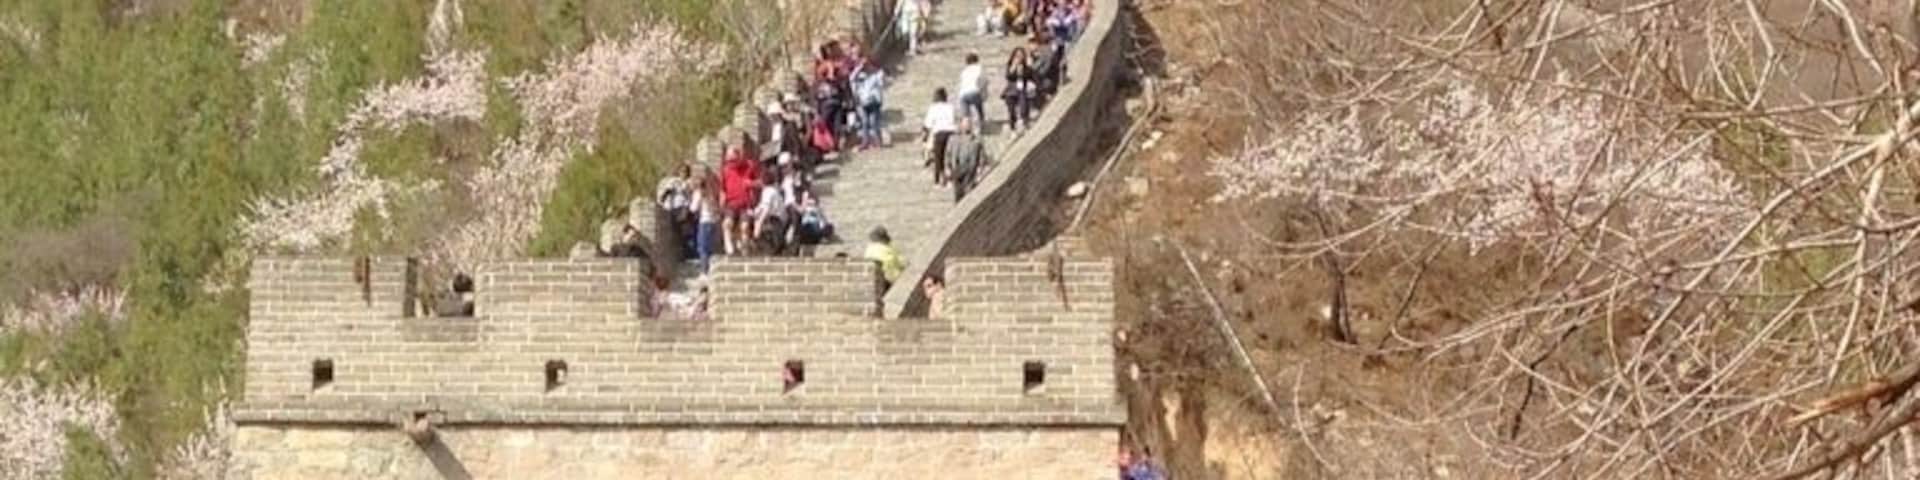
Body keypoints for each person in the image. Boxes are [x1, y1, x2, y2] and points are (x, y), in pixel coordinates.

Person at [719, 144, 761, 255]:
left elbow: (761, 183)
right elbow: (723, 190)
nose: (731, 163)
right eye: (728, 160)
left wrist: (751, 183)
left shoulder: (749, 166)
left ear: (739, 157)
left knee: (744, 227)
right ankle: (728, 246)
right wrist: (721, 205)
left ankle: (744, 250)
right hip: (731, 203)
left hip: (745, 203)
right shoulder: (725, 170)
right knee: (727, 224)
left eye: (733, 160)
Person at [863, 227, 905, 315]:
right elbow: (902, 263)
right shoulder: (890, 248)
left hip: (875, 278)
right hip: (890, 278)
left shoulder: (869, 249)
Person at [922, 88, 959, 185]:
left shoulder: (933, 108)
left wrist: (925, 136)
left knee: (938, 156)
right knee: (951, 156)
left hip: (939, 133)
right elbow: (955, 119)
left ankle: (938, 178)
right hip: (951, 133)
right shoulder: (950, 107)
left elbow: (928, 124)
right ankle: (952, 175)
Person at [947, 118, 987, 202]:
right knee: (958, 192)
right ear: (961, 125)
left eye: (968, 124)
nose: (966, 126)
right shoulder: (953, 139)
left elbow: (982, 156)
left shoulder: (977, 140)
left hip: (970, 169)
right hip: (957, 168)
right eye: (965, 124)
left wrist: (980, 169)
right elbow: (948, 154)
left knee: (968, 191)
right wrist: (947, 167)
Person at [690, 172, 721, 273]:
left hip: (704, 221)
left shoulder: (699, 193)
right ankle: (711, 269)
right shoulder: (711, 193)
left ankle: (704, 270)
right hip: (714, 222)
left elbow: (693, 208)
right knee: (710, 247)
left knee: (702, 247)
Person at [852, 62, 888, 150]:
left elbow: (881, 82)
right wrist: (858, 68)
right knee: (865, 123)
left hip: (873, 102)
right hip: (863, 103)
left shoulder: (875, 77)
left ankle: (878, 142)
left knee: (873, 122)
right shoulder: (860, 78)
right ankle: (865, 142)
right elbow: (852, 78)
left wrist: (875, 70)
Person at [1003, 47, 1037, 131]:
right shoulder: (1010, 65)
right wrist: (1014, 67)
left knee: (1023, 107)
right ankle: (1013, 128)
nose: (1019, 58)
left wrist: (1028, 68)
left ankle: (1024, 123)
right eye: (1017, 55)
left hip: (1022, 89)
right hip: (1011, 90)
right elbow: (1008, 76)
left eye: (1021, 55)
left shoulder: (1026, 67)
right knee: (1011, 111)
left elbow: (1031, 77)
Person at [956, 53, 989, 130]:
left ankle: (966, 128)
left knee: (965, 114)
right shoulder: (979, 68)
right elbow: (984, 81)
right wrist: (983, 93)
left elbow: (961, 83)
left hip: (963, 94)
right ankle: (981, 123)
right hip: (974, 91)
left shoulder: (964, 71)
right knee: (979, 107)